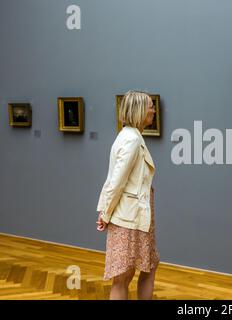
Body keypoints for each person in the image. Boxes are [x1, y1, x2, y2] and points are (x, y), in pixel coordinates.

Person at [96, 90, 159, 300]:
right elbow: (116, 181)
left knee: (147, 266)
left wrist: (105, 211)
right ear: (140, 110)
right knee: (123, 275)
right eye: (151, 106)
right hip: (129, 218)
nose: (154, 110)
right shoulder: (131, 139)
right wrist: (105, 213)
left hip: (134, 216)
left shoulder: (130, 136)